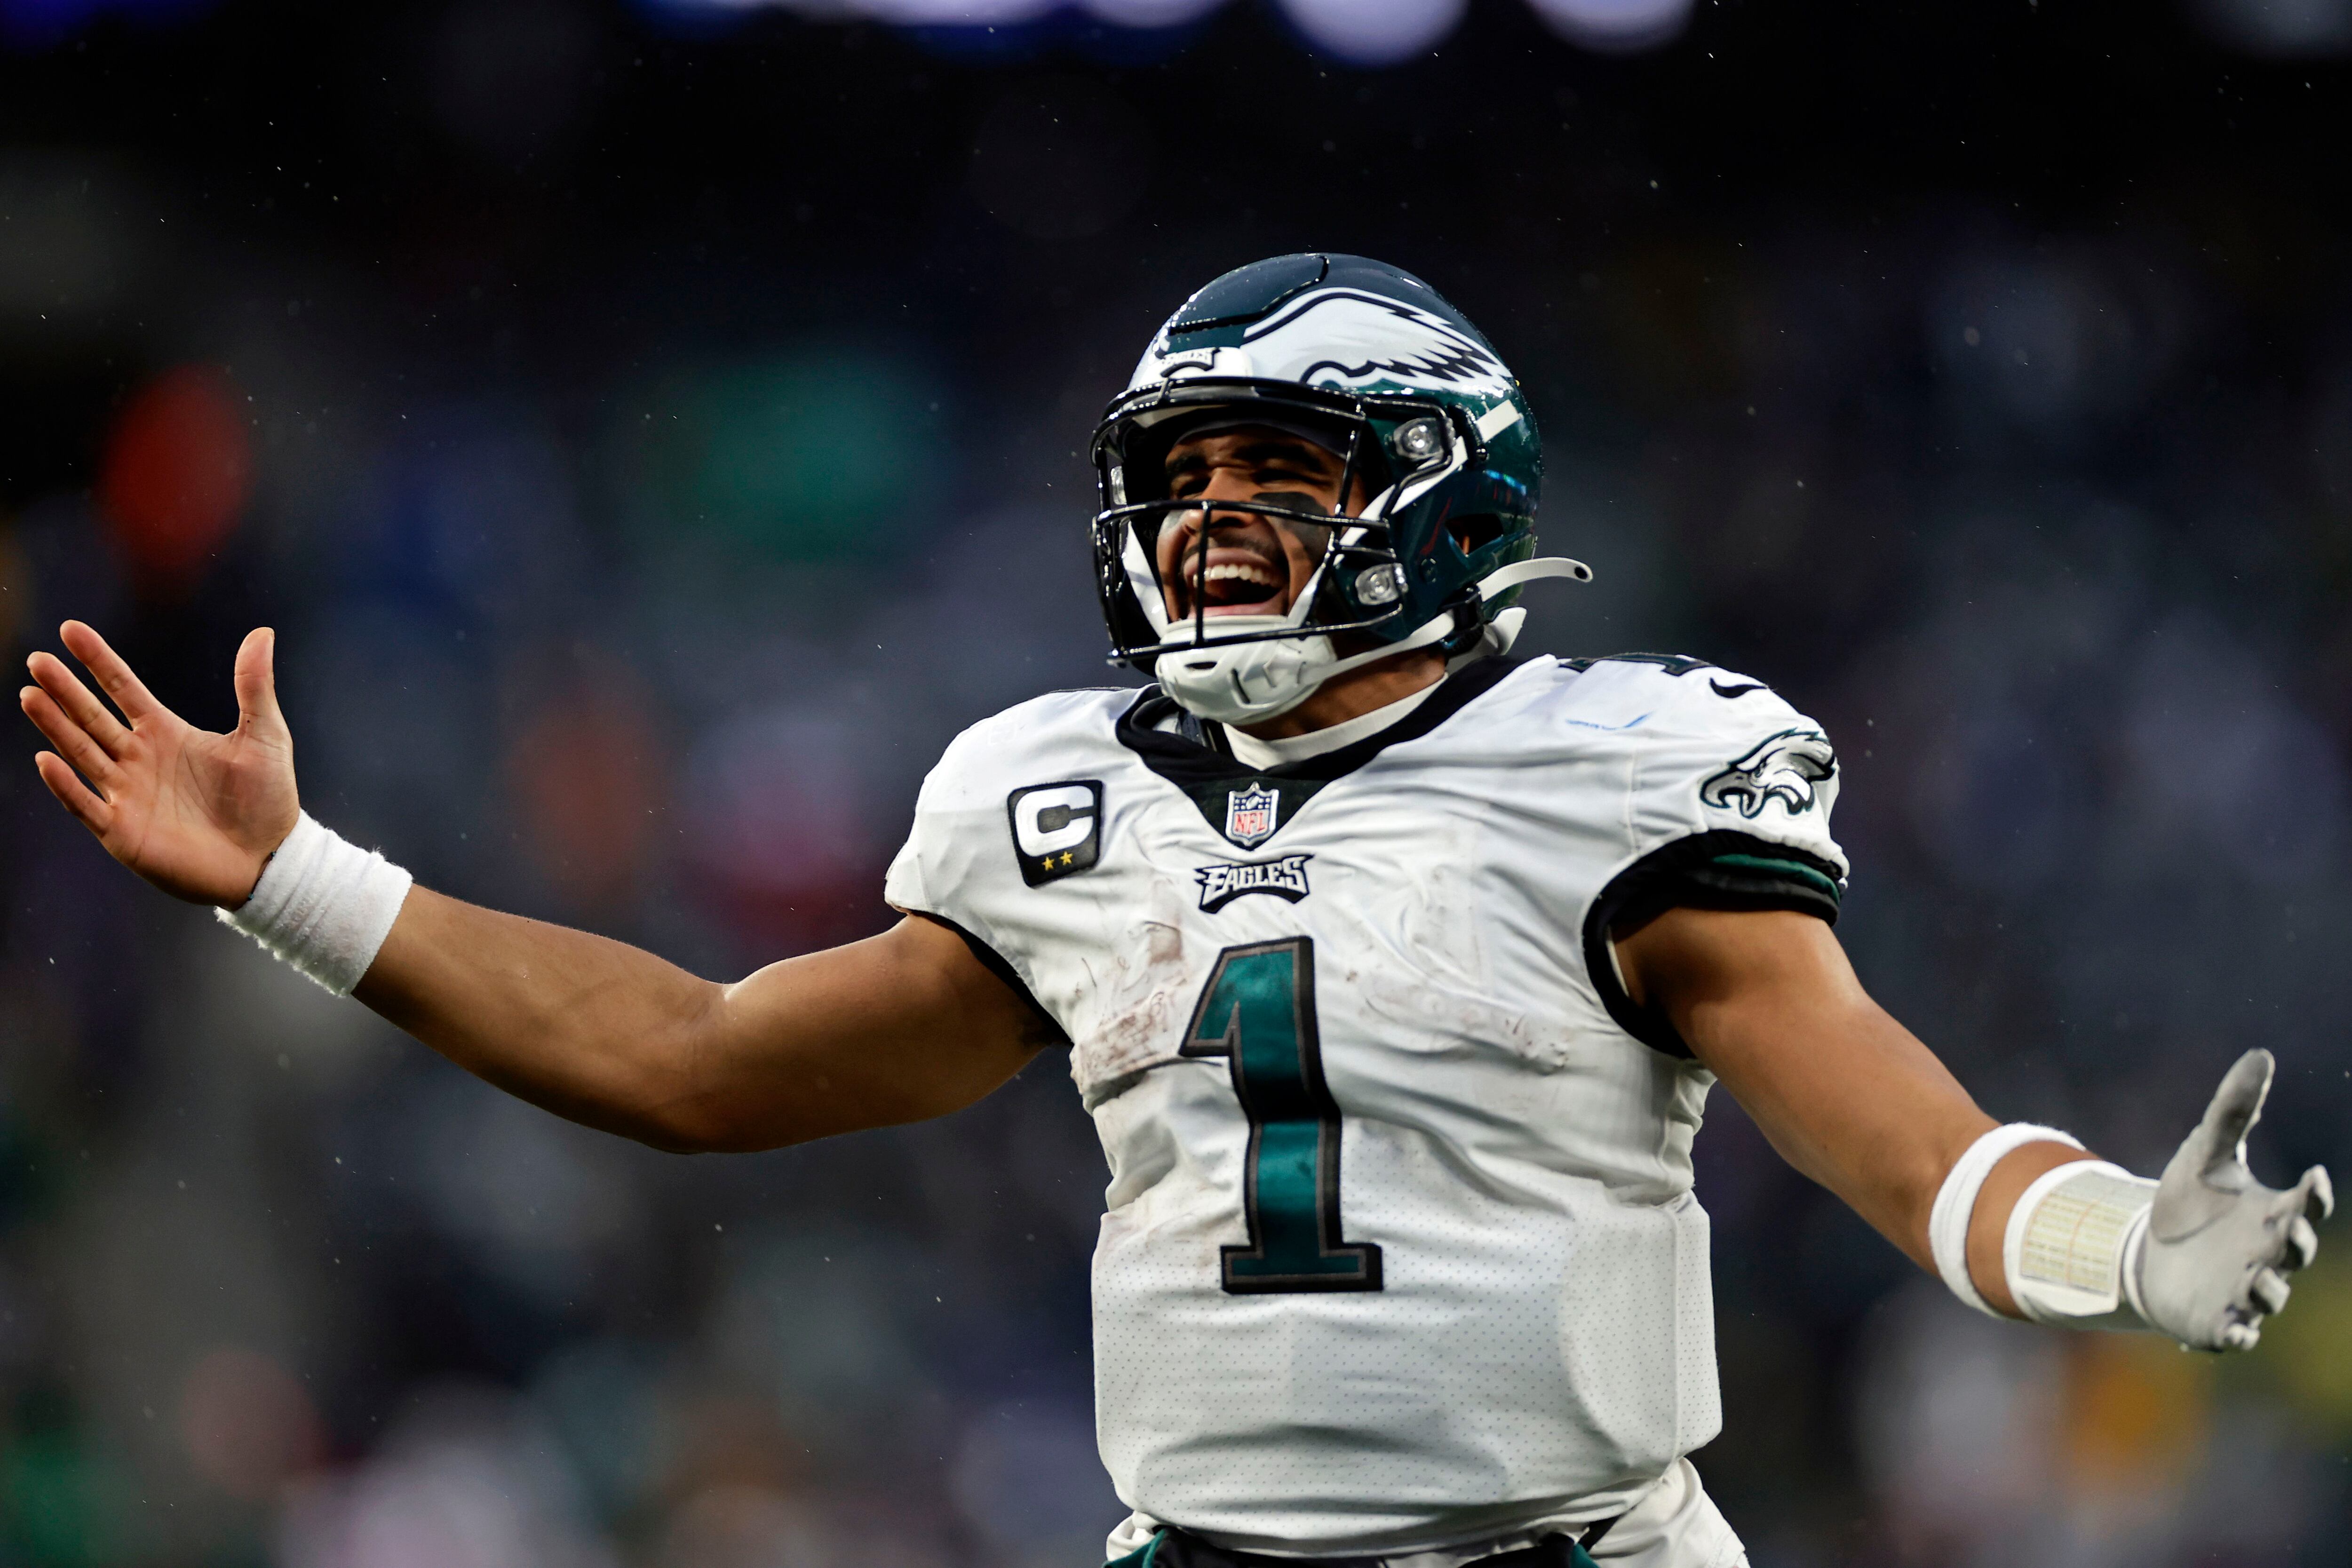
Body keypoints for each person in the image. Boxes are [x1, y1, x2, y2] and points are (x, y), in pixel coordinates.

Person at [19, 254, 2331, 1568]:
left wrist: (2110, 1243)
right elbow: (695, 1061)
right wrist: (297, 882)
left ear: (1438, 501)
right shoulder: (1055, 791)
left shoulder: (1612, 767)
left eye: (1279, 473)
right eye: (1182, 479)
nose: (1211, 522)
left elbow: (1885, 1130)